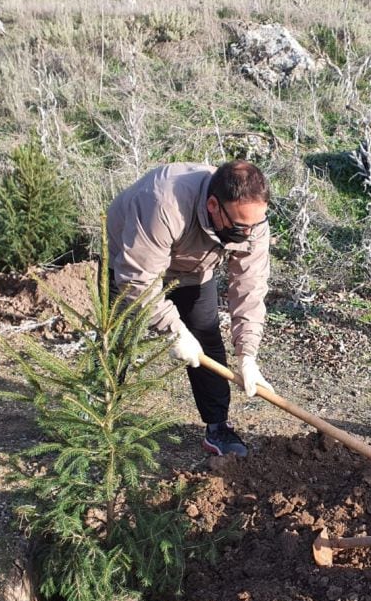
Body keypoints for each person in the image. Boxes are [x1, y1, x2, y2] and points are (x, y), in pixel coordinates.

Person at [107, 160, 273, 457]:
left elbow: (250, 286)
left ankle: (217, 428)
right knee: (117, 337)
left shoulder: (252, 220)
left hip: (194, 267)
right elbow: (137, 279)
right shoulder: (163, 202)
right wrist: (173, 330)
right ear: (213, 205)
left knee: (206, 336)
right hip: (134, 257)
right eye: (239, 227)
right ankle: (98, 416)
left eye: (254, 226)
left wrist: (248, 354)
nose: (248, 235)